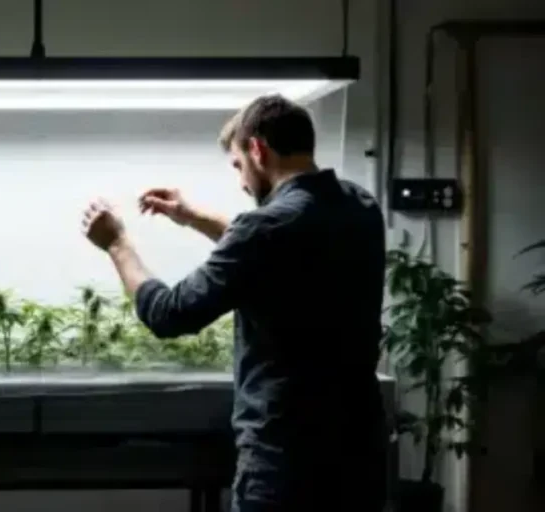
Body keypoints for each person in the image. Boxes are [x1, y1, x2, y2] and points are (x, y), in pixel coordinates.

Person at [81, 94, 388, 512]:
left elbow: (169, 314)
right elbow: (280, 245)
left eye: (239, 165)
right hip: (359, 458)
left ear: (258, 150)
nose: (242, 182)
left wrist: (116, 244)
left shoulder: (265, 229)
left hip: (285, 464)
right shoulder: (359, 206)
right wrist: (191, 217)